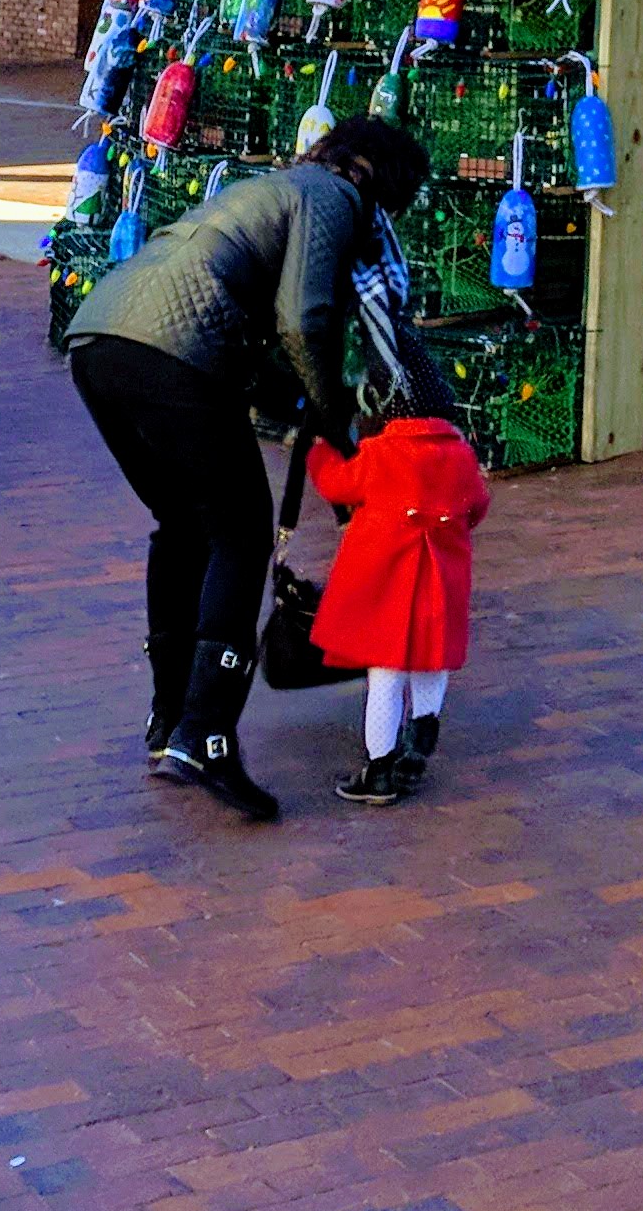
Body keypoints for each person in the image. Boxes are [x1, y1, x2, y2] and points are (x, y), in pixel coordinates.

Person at [63, 117, 429, 822]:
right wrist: (334, 418)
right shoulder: (334, 197)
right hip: (177, 354)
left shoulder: (277, 186)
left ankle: (170, 718)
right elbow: (304, 317)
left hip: (101, 341)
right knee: (241, 534)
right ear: (377, 177)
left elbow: (257, 309)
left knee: (182, 526)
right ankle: (207, 736)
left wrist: (291, 396)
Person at [307, 396, 490, 806]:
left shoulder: (380, 454)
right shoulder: (460, 454)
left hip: (388, 584)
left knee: (385, 676)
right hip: (441, 580)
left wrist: (320, 449)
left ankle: (380, 769)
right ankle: (419, 741)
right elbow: (477, 506)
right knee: (432, 660)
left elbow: (336, 482)